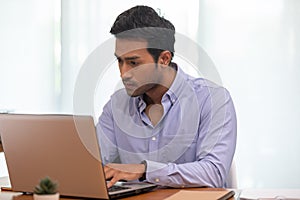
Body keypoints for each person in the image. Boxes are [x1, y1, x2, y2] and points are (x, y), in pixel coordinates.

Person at [96, 5, 237, 189]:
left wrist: (145, 170)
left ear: (164, 59)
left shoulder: (212, 99)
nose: (123, 73)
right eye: (120, 61)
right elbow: (90, 164)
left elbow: (213, 173)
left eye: (133, 62)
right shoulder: (117, 105)